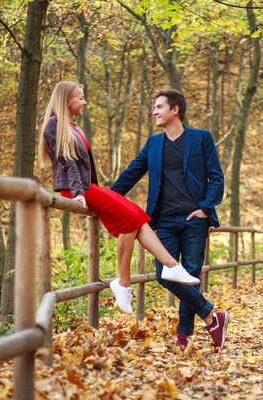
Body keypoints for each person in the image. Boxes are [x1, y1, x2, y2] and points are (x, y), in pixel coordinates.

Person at [38, 81, 202, 315]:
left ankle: (170, 266)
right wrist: (77, 193)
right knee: (129, 218)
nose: (84, 102)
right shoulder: (53, 127)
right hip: (78, 188)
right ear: (67, 101)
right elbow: (68, 161)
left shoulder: (73, 126)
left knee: (137, 215)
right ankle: (128, 280)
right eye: (81, 98)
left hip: (88, 186)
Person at [111, 89, 228, 350]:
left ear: (175, 110)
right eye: (155, 107)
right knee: (165, 275)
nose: (154, 111)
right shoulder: (153, 144)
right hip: (162, 221)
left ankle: (183, 335)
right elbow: (132, 173)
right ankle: (212, 318)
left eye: (159, 106)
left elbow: (216, 177)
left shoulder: (201, 138)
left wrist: (206, 209)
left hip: (194, 219)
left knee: (191, 275)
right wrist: (106, 198)